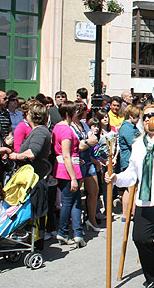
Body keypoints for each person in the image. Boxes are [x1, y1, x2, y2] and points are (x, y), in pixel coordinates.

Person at [106, 105, 154, 288]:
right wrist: (116, 178)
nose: (148, 119)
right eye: (145, 116)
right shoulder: (138, 144)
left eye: (153, 115)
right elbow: (133, 173)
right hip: (146, 197)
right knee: (140, 237)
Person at [52, 100, 87, 247]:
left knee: (73, 201)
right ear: (68, 114)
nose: (77, 114)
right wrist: (73, 177)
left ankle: (72, 232)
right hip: (68, 169)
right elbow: (66, 155)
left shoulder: (58, 127)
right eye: (74, 112)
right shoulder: (66, 130)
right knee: (69, 202)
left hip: (68, 166)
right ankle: (66, 231)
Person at [71, 102, 101, 231]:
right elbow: (78, 147)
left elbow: (94, 139)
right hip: (78, 162)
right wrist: (87, 142)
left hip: (88, 161)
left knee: (94, 191)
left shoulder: (83, 125)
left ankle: (91, 220)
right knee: (76, 194)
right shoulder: (70, 127)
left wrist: (85, 142)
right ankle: (75, 224)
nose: (85, 113)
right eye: (84, 111)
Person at [118, 105, 142, 220]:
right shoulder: (128, 128)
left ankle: (127, 214)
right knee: (132, 188)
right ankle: (130, 213)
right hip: (129, 161)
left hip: (129, 160)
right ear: (131, 116)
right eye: (137, 117)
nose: (138, 119)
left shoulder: (130, 126)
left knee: (130, 188)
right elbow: (135, 144)